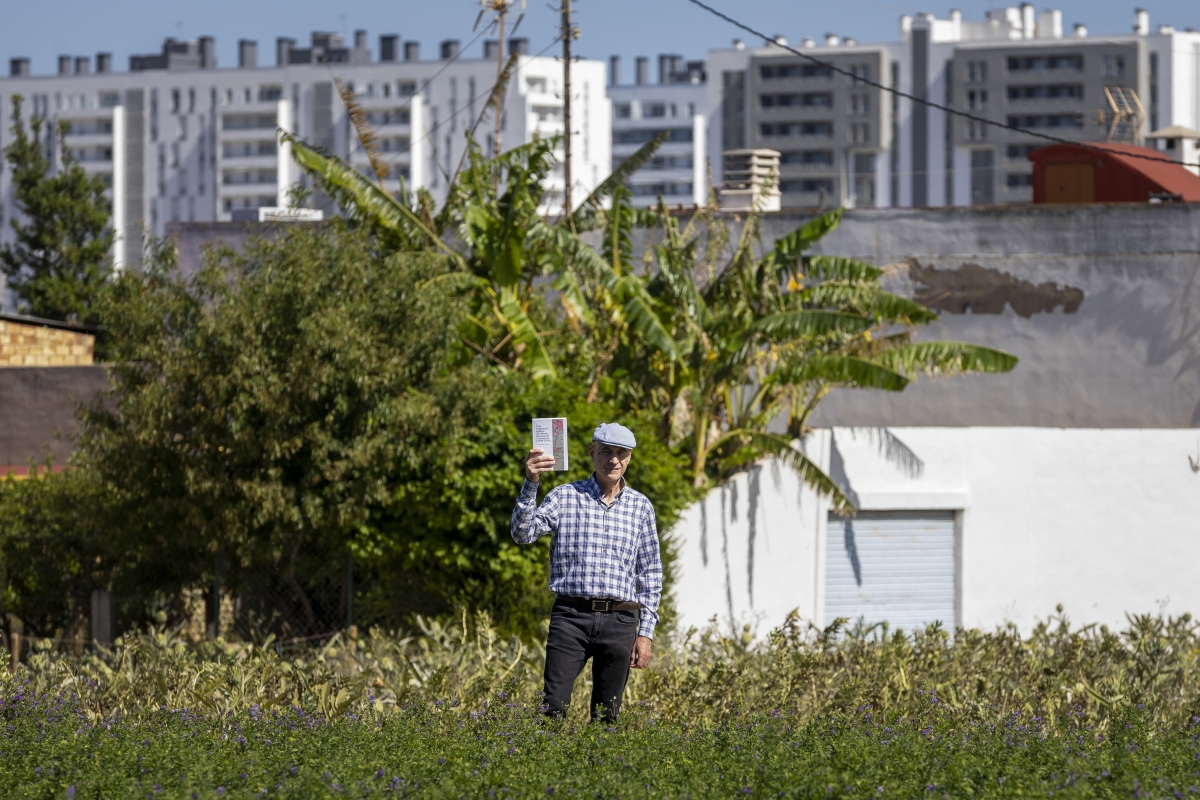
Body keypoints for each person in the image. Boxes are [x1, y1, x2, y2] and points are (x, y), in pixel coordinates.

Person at [511, 422, 663, 722]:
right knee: (551, 708)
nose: (613, 460)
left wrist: (645, 634)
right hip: (571, 617)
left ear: (629, 458)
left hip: (621, 620)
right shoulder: (565, 496)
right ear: (592, 453)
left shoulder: (641, 507)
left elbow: (651, 574)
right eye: (606, 451)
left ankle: (598, 769)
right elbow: (522, 533)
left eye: (621, 453)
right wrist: (531, 481)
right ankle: (544, 766)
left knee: (607, 717)